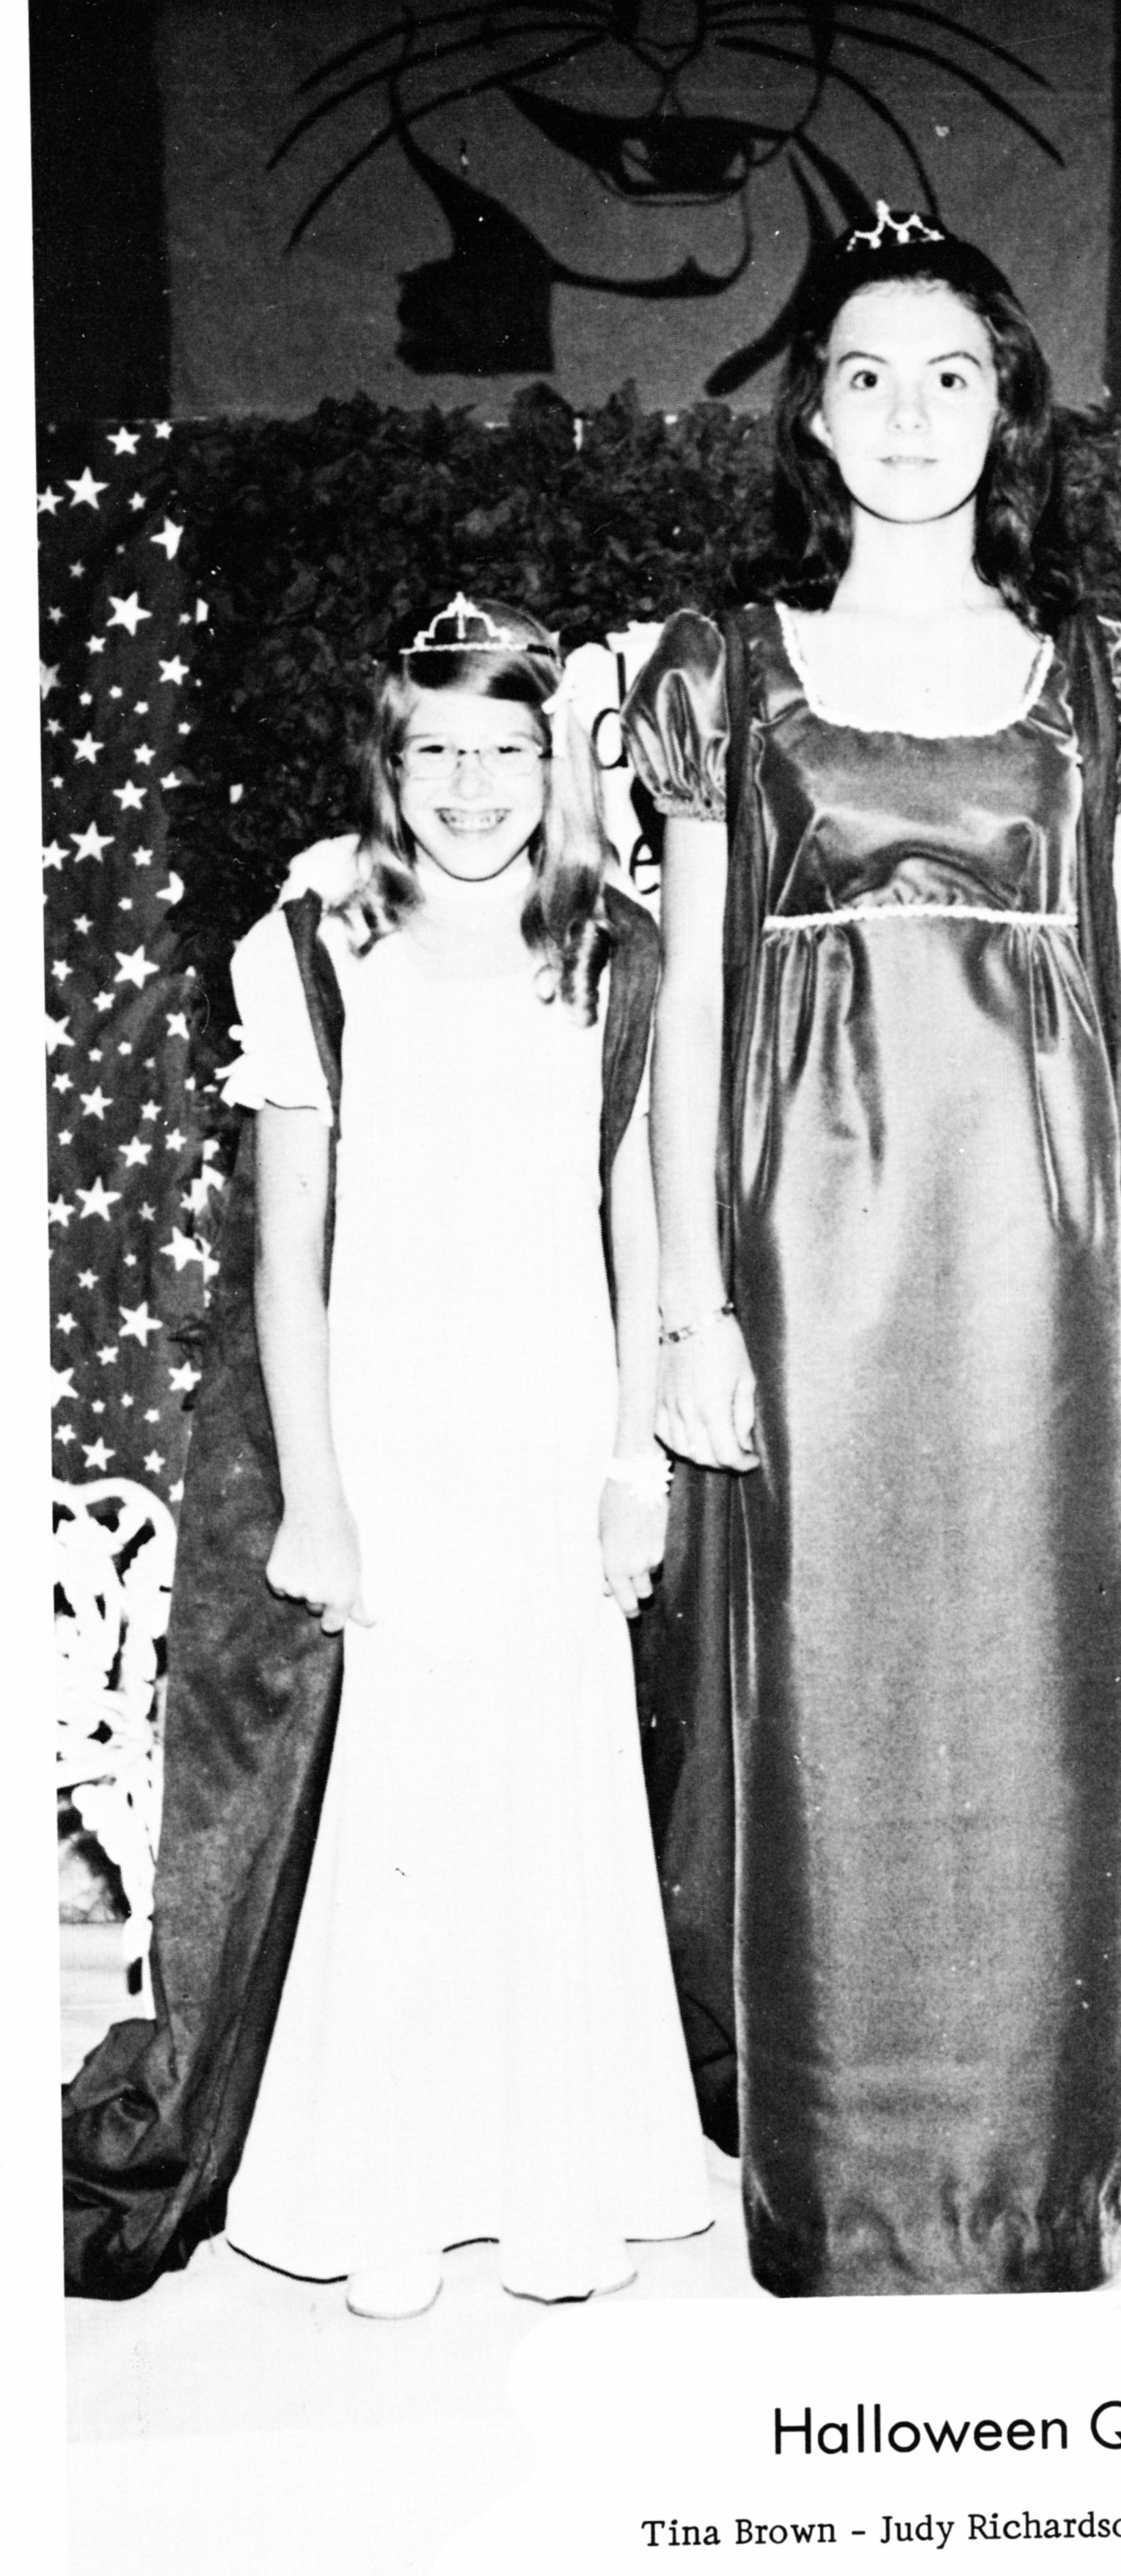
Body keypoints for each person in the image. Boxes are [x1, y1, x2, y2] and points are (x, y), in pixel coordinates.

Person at [622, 203, 1121, 2297]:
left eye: (953, 376)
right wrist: (690, 1303)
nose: (910, 415)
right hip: (807, 1247)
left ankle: (1044, 2179)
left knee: (1034, 1690)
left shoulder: (1100, 677)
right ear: (814, 419)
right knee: (828, 1689)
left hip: (1036, 1252)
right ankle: (845, 2186)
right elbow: (692, 1003)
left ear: (1009, 414)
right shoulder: (726, 672)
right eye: (867, 377)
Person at [64, 599, 711, 2314]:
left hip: (552, 1420)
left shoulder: (612, 953)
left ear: (556, 766)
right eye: (438, 752)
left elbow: (635, 1218)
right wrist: (321, 1495)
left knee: (548, 1794)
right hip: (393, 1430)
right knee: (407, 1812)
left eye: (506, 750)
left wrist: (633, 1460)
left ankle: (555, 2183)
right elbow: (289, 1253)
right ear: (389, 762)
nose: (473, 786)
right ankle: (394, 2195)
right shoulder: (314, 950)